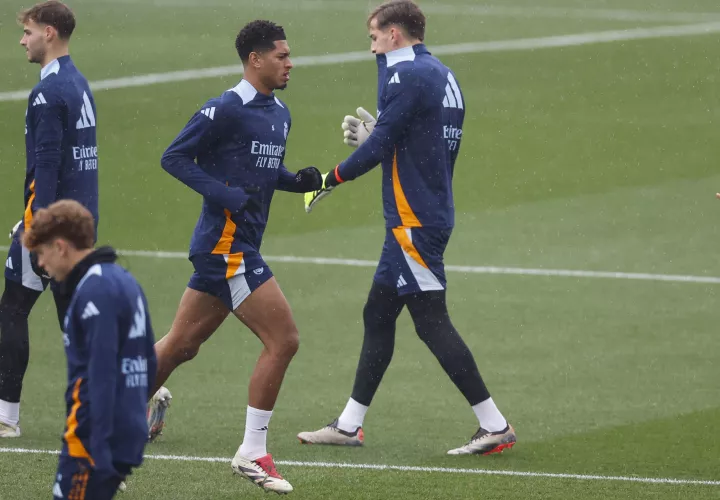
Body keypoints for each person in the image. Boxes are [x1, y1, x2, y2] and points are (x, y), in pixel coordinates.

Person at [299, 0, 516, 456]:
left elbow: (383, 147)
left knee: (431, 320)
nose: (372, 47)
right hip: (421, 213)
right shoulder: (440, 73)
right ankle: (349, 424)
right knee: (377, 315)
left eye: (375, 37)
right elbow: (423, 141)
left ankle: (494, 425)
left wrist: (329, 179)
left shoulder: (405, 74)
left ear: (394, 34)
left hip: (414, 220)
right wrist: (383, 136)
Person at [146, 20, 322, 494]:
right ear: (255, 60)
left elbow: (259, 170)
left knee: (181, 345)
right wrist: (221, 193)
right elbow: (175, 157)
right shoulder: (226, 106)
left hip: (236, 246)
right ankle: (252, 453)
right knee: (283, 339)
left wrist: (297, 181)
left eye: (289, 54)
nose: (290, 62)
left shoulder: (280, 113)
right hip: (226, 247)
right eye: (281, 55)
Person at [0, 0, 99, 438]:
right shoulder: (78, 83)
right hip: (80, 224)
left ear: (49, 34)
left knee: (12, 309)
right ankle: (108, 405)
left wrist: (35, 226)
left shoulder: (47, 91)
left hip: (52, 228)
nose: (22, 40)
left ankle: (6, 416)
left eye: (28, 32)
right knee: (73, 320)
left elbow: (47, 165)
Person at [22, 200, 155, 500]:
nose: (41, 264)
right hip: (124, 433)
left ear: (61, 247)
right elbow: (149, 359)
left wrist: (97, 448)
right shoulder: (123, 279)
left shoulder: (94, 290)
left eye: (41, 254)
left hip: (91, 441)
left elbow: (102, 374)